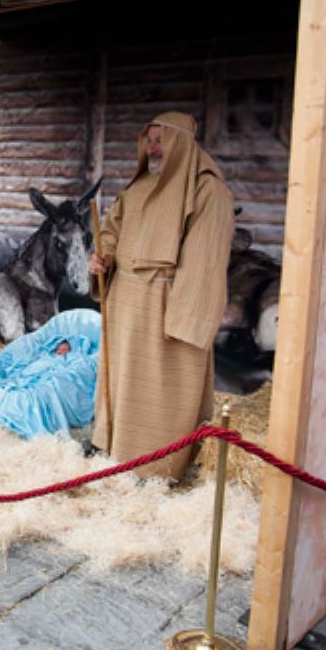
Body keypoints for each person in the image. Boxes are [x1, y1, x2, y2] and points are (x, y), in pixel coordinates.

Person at [89, 112, 235, 480]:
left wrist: (184, 318)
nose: (153, 148)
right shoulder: (137, 187)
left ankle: (156, 468)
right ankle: (113, 449)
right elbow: (111, 231)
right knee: (121, 379)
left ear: (181, 143)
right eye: (149, 140)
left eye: (161, 140)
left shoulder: (207, 190)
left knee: (160, 388)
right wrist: (102, 257)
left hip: (165, 304)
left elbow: (206, 260)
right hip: (125, 298)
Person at [0, 308, 102, 438]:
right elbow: (33, 351)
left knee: (47, 384)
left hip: (51, 376)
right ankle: (10, 395)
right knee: (17, 373)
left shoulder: (78, 358)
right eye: (59, 347)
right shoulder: (46, 351)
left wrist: (64, 359)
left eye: (65, 349)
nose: (61, 350)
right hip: (29, 372)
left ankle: (23, 403)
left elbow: (78, 369)